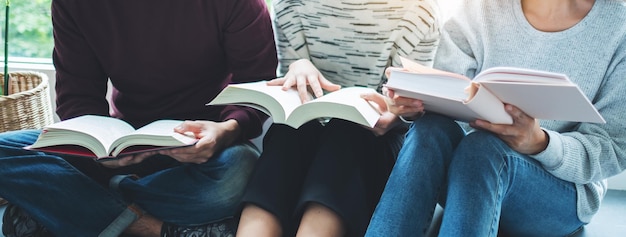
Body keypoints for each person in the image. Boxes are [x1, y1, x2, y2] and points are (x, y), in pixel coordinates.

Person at [0, 0, 277, 236]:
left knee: (239, 170)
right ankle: (149, 227)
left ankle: (64, 205)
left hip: (203, 148)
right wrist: (97, 146)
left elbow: (257, 86)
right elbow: (78, 95)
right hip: (122, 144)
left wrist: (225, 131)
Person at [365, 0, 626, 236]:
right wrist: (415, 106)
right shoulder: (479, 9)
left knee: (483, 148)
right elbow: (447, 101)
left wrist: (540, 143)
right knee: (430, 129)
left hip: (560, 194)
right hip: (470, 177)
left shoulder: (618, 28)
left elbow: (613, 148)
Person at [235, 0, 440, 236]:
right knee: (287, 132)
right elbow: (287, 101)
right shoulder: (290, 6)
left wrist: (396, 114)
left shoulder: (419, 12)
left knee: (347, 130)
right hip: (306, 136)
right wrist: (297, 68)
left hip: (373, 143)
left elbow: (418, 109)